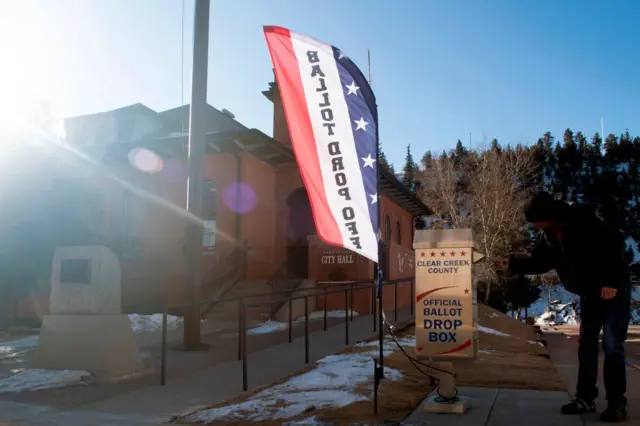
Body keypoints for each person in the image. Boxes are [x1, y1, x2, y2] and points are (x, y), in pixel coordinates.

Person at [499, 191, 631, 423]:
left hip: (613, 289)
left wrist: (610, 282)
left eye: (535, 220)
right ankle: (585, 397)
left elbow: (614, 246)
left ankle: (617, 403)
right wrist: (511, 264)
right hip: (590, 293)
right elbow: (540, 262)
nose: (534, 225)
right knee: (586, 345)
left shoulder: (584, 220)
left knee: (612, 346)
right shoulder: (550, 237)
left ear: (547, 215)